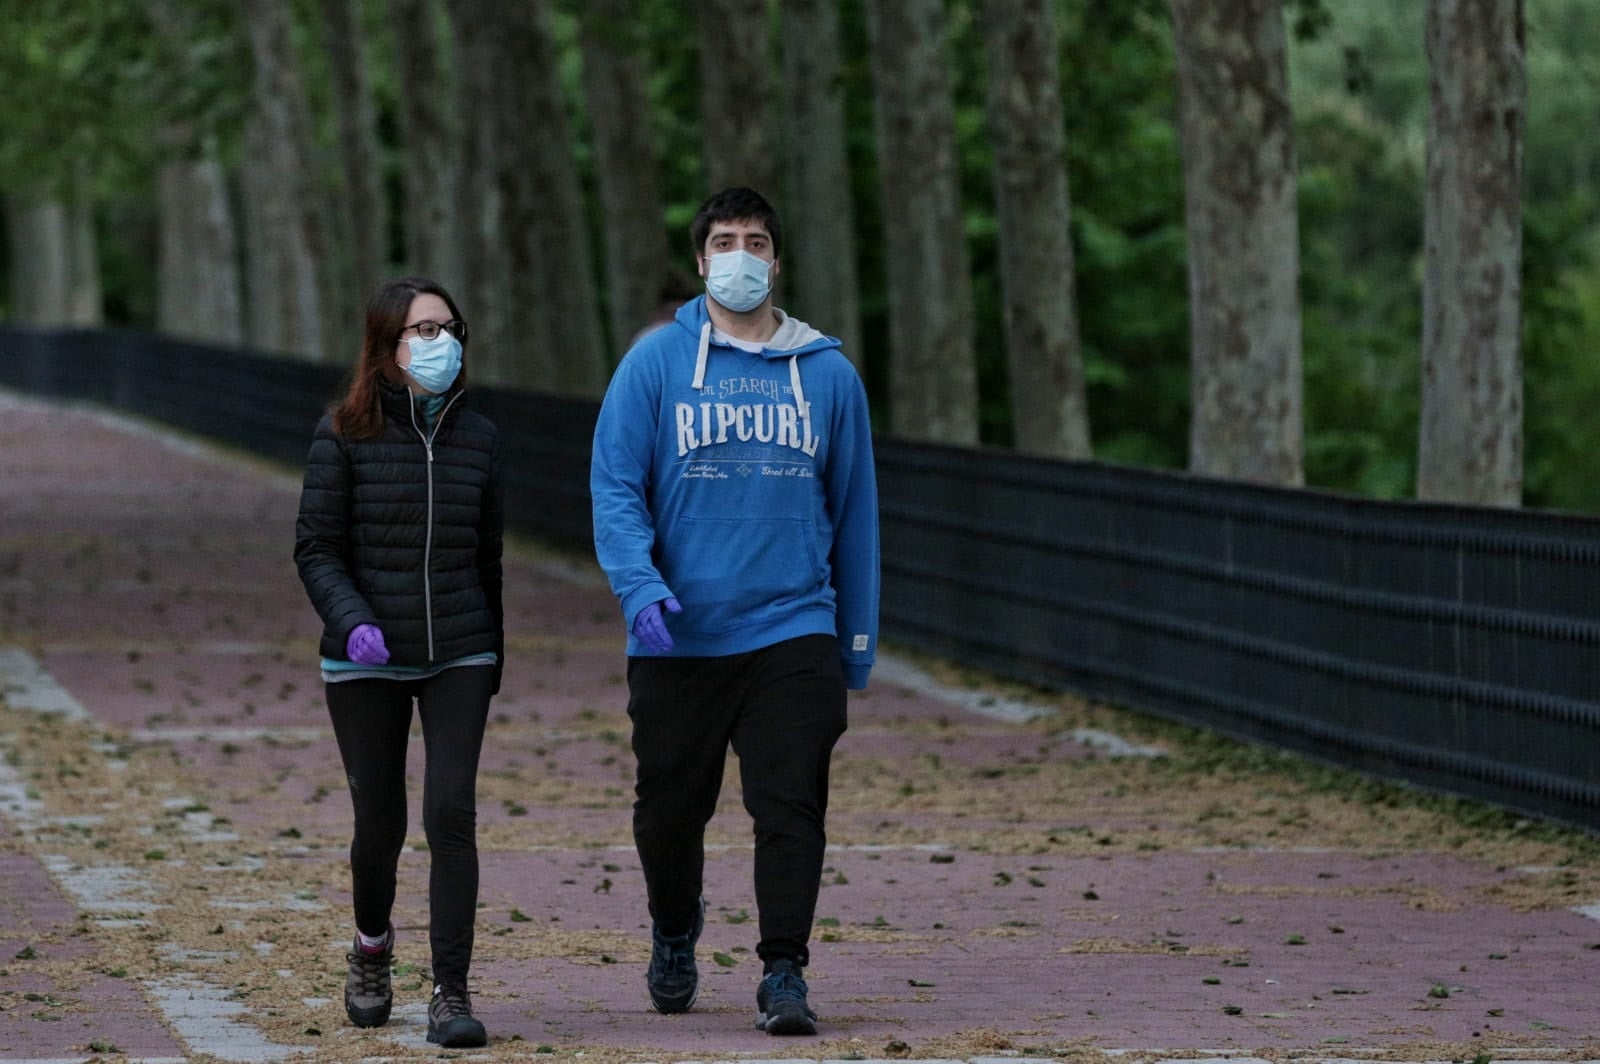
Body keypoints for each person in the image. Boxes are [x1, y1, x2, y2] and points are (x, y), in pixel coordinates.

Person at [590, 187, 880, 1036]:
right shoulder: (652, 365)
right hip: (679, 635)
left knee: (790, 803)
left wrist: (853, 646)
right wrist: (638, 587)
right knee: (669, 811)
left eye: (756, 240)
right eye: (725, 240)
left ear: (778, 259)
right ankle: (675, 929)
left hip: (795, 627)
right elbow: (615, 488)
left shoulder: (827, 374)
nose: (741, 254)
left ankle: (783, 970)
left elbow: (855, 515)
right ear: (701, 259)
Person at [293, 276, 504, 1049]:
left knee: (451, 813)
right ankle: (372, 948)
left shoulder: (479, 438)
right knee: (379, 822)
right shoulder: (342, 433)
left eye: (447, 328)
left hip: (459, 650)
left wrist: (492, 655)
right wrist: (351, 623)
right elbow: (315, 547)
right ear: (386, 345)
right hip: (366, 657)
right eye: (421, 330)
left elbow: (489, 557)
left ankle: (451, 991)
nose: (437, 342)